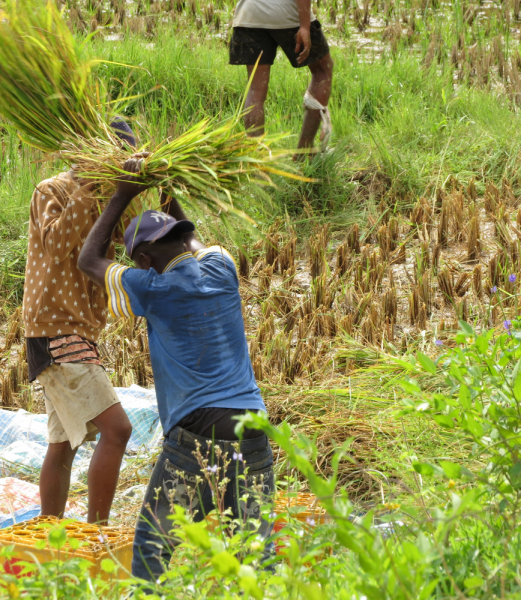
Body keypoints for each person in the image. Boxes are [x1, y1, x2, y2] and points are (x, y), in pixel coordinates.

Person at [78, 157, 275, 582]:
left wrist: (124, 193)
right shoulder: (221, 268)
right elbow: (194, 239)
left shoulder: (151, 287)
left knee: (154, 547)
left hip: (198, 433)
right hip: (254, 425)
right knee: (255, 551)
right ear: (185, 241)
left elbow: (88, 260)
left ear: (144, 259)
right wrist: (168, 186)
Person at [23, 120, 137, 525]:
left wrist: (136, 191)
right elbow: (55, 248)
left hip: (77, 328)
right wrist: (89, 186)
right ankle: (98, 530)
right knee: (118, 429)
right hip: (55, 328)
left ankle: (48, 529)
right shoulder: (51, 191)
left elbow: (131, 240)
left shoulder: (109, 197)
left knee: (63, 444)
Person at [229, 0, 334, 158]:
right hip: (287, 14)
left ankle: (257, 162)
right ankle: (304, 152)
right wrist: (305, 27)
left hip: (249, 14)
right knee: (322, 71)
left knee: (255, 89)